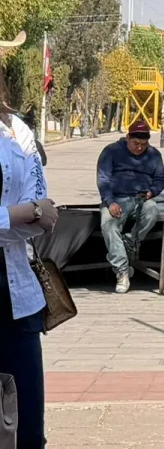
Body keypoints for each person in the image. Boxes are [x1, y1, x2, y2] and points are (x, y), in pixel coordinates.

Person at [0, 131, 60, 448]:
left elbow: (43, 216)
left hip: (16, 299)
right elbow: (32, 213)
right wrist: (20, 213)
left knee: (27, 431)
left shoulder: (17, 132)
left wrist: (29, 214)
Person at [96, 120, 164, 293]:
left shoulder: (154, 155)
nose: (139, 148)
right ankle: (122, 271)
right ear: (127, 137)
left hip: (141, 199)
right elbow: (103, 179)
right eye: (136, 143)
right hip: (116, 198)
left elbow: (160, 179)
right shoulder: (111, 151)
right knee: (109, 225)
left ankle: (129, 242)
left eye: (144, 144)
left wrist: (152, 192)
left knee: (152, 211)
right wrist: (110, 202)